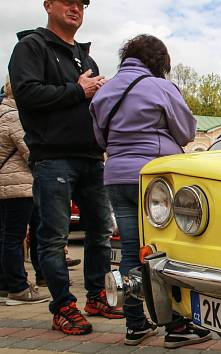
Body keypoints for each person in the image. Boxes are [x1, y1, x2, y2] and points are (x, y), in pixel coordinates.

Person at [8, 0, 123, 335]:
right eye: (68, 2)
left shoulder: (85, 58)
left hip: (90, 157)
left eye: (81, 4)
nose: (76, 8)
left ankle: (97, 296)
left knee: (101, 232)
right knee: (53, 236)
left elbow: (88, 102)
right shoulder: (31, 47)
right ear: (47, 5)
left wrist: (101, 96)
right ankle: (62, 306)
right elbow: (27, 94)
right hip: (53, 157)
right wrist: (79, 89)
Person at [90, 34, 210, 348]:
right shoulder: (161, 87)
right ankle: (176, 326)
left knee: (130, 251)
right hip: (153, 179)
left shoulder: (106, 92)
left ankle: (135, 325)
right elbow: (185, 132)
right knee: (165, 251)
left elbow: (100, 140)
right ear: (159, 62)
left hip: (116, 176)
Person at [0, 77, 50, 306]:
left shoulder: (1, 113)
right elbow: (31, 150)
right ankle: (19, 287)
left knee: (7, 236)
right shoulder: (14, 116)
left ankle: (5, 283)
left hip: (6, 185)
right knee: (15, 237)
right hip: (18, 185)